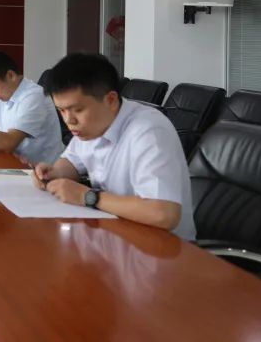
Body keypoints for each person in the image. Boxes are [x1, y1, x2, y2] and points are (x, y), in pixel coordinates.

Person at [32, 53, 195, 240]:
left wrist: (87, 196)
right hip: (115, 233)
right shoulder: (92, 125)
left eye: (78, 110)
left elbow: (163, 213)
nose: (69, 120)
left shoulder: (149, 131)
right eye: (61, 110)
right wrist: (53, 173)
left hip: (162, 246)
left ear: (110, 100)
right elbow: (71, 161)